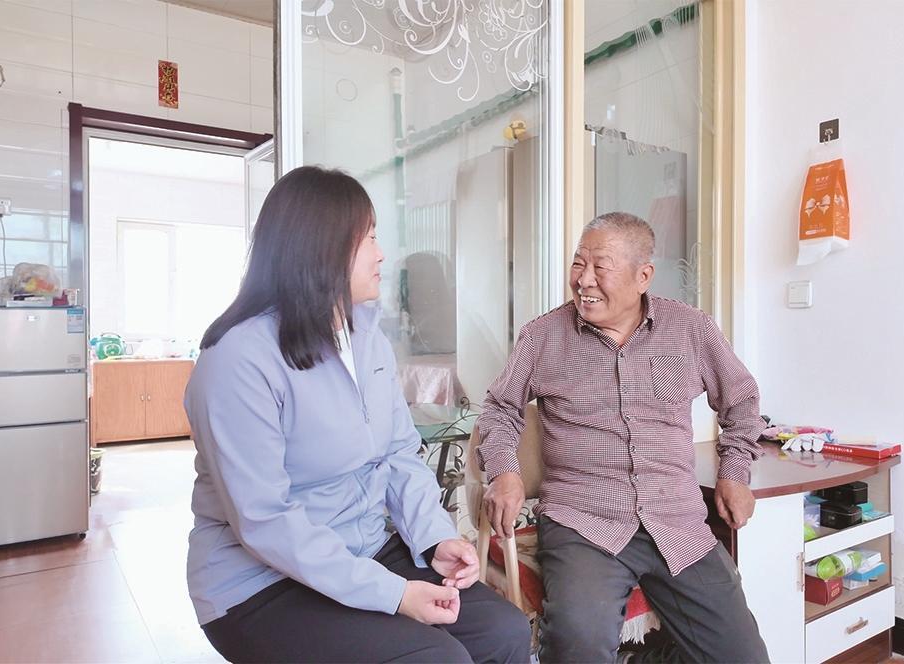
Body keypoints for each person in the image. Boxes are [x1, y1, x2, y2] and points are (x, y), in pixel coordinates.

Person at [185, 166, 531, 663]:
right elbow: (265, 520)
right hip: (261, 584)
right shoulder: (237, 361)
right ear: (320, 248)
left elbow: (398, 454)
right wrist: (393, 594)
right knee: (437, 658)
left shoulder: (365, 337)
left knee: (505, 630)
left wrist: (435, 538)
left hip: (362, 551)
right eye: (368, 237)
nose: (381, 253)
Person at [476, 212, 770, 663]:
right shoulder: (543, 336)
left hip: (675, 519)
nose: (584, 280)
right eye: (579, 263)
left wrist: (735, 473)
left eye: (600, 267)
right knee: (577, 643)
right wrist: (505, 473)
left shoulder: (690, 329)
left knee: (743, 657)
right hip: (583, 522)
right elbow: (499, 409)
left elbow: (742, 402)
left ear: (643, 276)